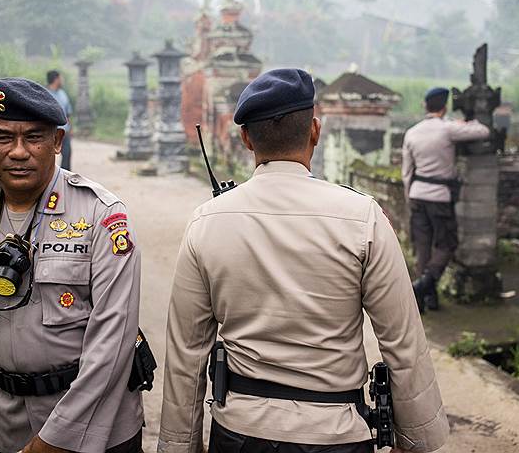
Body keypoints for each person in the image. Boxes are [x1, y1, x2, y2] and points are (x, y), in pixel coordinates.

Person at [159, 69, 449, 453]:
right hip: (336, 433)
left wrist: (179, 447)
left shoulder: (207, 222)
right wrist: (417, 441)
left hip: (239, 433)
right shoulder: (362, 217)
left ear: (246, 138)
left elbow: (186, 354)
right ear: (315, 131)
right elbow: (403, 342)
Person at [0, 77, 144, 453]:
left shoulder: (102, 216)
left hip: (94, 430)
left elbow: (113, 345)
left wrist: (55, 440)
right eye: (2, 137)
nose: (19, 152)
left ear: (57, 142)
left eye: (35, 137)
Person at [401, 87, 490, 313]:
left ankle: (426, 300)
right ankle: (423, 285)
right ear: (445, 107)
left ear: (425, 106)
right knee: (447, 244)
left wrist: (409, 197)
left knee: (423, 247)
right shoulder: (448, 129)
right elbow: (483, 131)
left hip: (417, 194)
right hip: (439, 196)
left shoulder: (412, 132)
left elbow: (406, 172)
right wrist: (463, 124)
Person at [46, 70, 73, 171]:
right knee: (48, 155)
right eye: (61, 78)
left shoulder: (63, 94)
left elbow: (68, 112)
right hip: (51, 131)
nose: (62, 80)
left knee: (67, 154)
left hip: (64, 131)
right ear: (56, 79)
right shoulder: (45, 94)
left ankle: (65, 178)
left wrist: (70, 128)